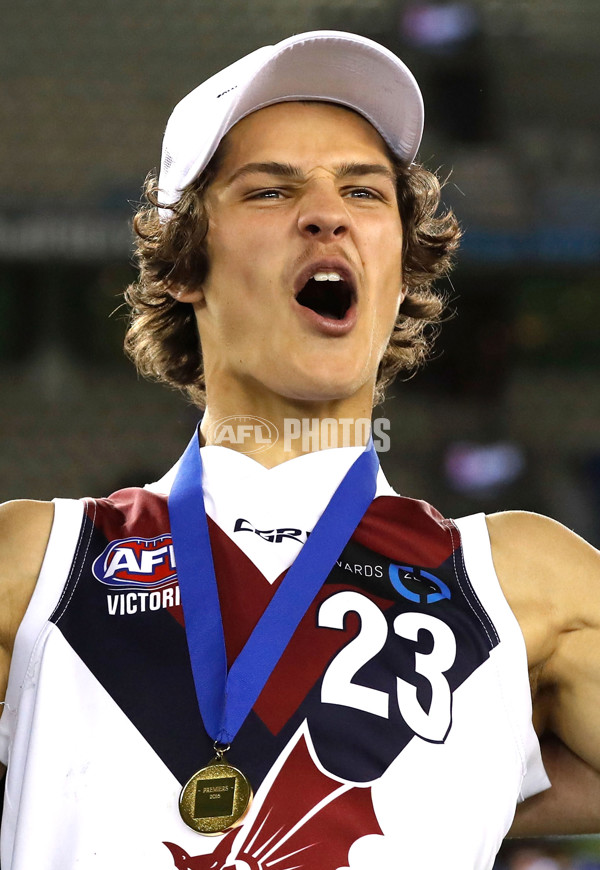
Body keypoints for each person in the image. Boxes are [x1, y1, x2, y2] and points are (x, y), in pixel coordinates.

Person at [0, 29, 599, 870]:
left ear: (402, 266)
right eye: (270, 193)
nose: (328, 213)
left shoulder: (521, 584)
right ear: (184, 264)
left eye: (364, 190)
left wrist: (497, 781)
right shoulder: (36, 568)